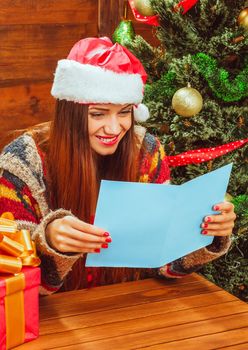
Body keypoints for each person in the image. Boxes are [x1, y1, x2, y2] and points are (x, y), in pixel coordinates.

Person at [0, 37, 236, 295]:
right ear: (71, 114)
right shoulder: (22, 162)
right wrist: (49, 242)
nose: (114, 128)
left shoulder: (146, 151)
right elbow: (12, 281)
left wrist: (206, 232)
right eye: (98, 114)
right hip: (53, 320)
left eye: (124, 112)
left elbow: (163, 265)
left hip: (130, 307)